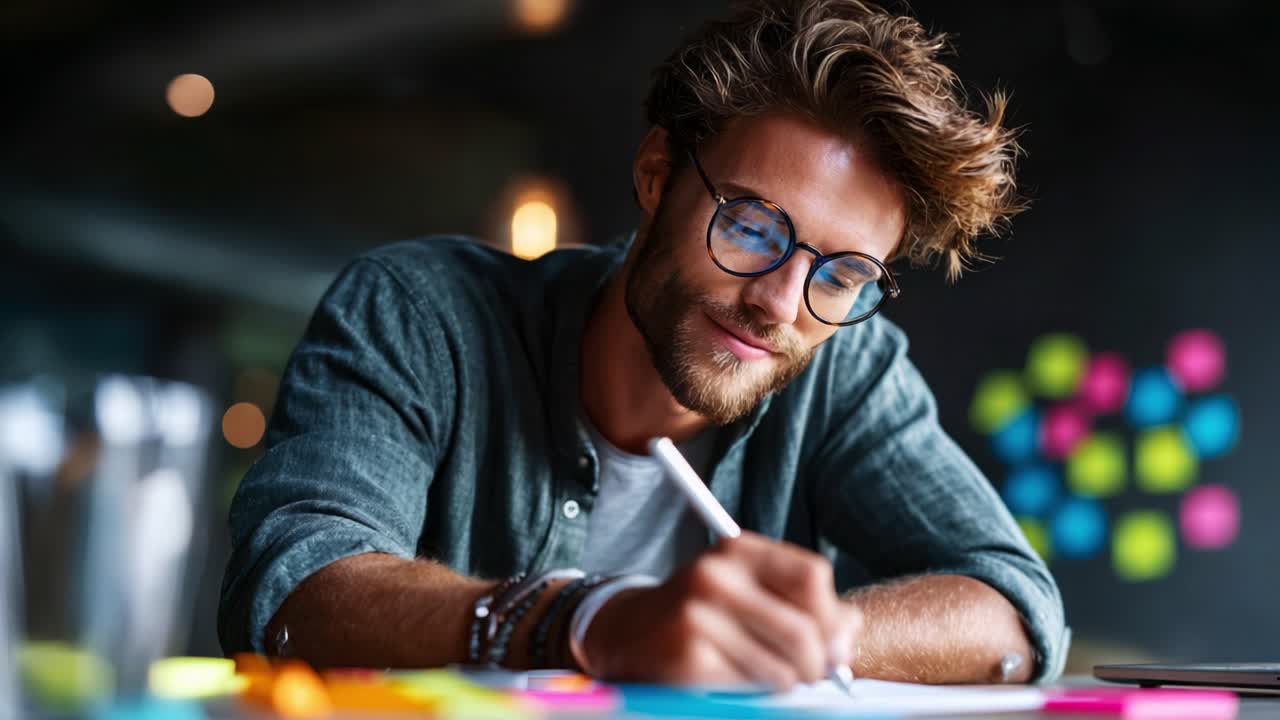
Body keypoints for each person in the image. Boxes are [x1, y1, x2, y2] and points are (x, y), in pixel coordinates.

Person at [219, 0, 1067, 688]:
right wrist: (589, 623)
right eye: (749, 225)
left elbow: (1016, 610)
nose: (778, 301)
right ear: (658, 174)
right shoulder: (419, 311)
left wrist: (810, 634)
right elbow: (292, 590)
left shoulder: (847, 370)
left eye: (841, 275)